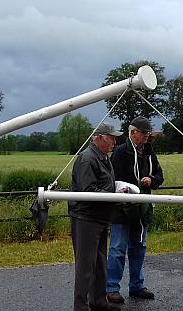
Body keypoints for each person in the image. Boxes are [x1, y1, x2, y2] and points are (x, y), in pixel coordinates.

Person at [106, 116, 164, 304]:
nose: (147, 137)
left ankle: (136, 285)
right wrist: (126, 188)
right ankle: (112, 287)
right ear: (133, 133)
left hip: (142, 208)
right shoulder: (120, 153)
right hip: (121, 208)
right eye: (143, 133)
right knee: (117, 249)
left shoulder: (149, 152)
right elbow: (112, 179)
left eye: (148, 133)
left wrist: (151, 180)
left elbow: (159, 175)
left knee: (139, 247)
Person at [68, 122, 123, 311]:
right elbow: (88, 191)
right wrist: (115, 196)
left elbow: (102, 186)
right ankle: (80, 306)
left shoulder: (103, 157)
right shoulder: (87, 159)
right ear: (99, 138)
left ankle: (98, 300)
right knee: (85, 265)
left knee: (100, 262)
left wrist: (116, 192)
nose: (115, 142)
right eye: (112, 138)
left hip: (99, 216)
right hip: (86, 217)